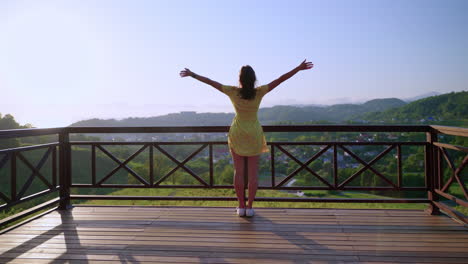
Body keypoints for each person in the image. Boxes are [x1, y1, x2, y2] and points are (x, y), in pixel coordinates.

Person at [180, 59, 314, 217]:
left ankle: (241, 206)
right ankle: (250, 207)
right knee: (253, 174)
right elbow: (280, 79)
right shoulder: (259, 92)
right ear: (253, 78)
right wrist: (298, 68)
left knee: (239, 172)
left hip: (237, 133)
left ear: (240, 79)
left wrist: (192, 74)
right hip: (254, 134)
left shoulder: (232, 91)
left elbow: (210, 82)